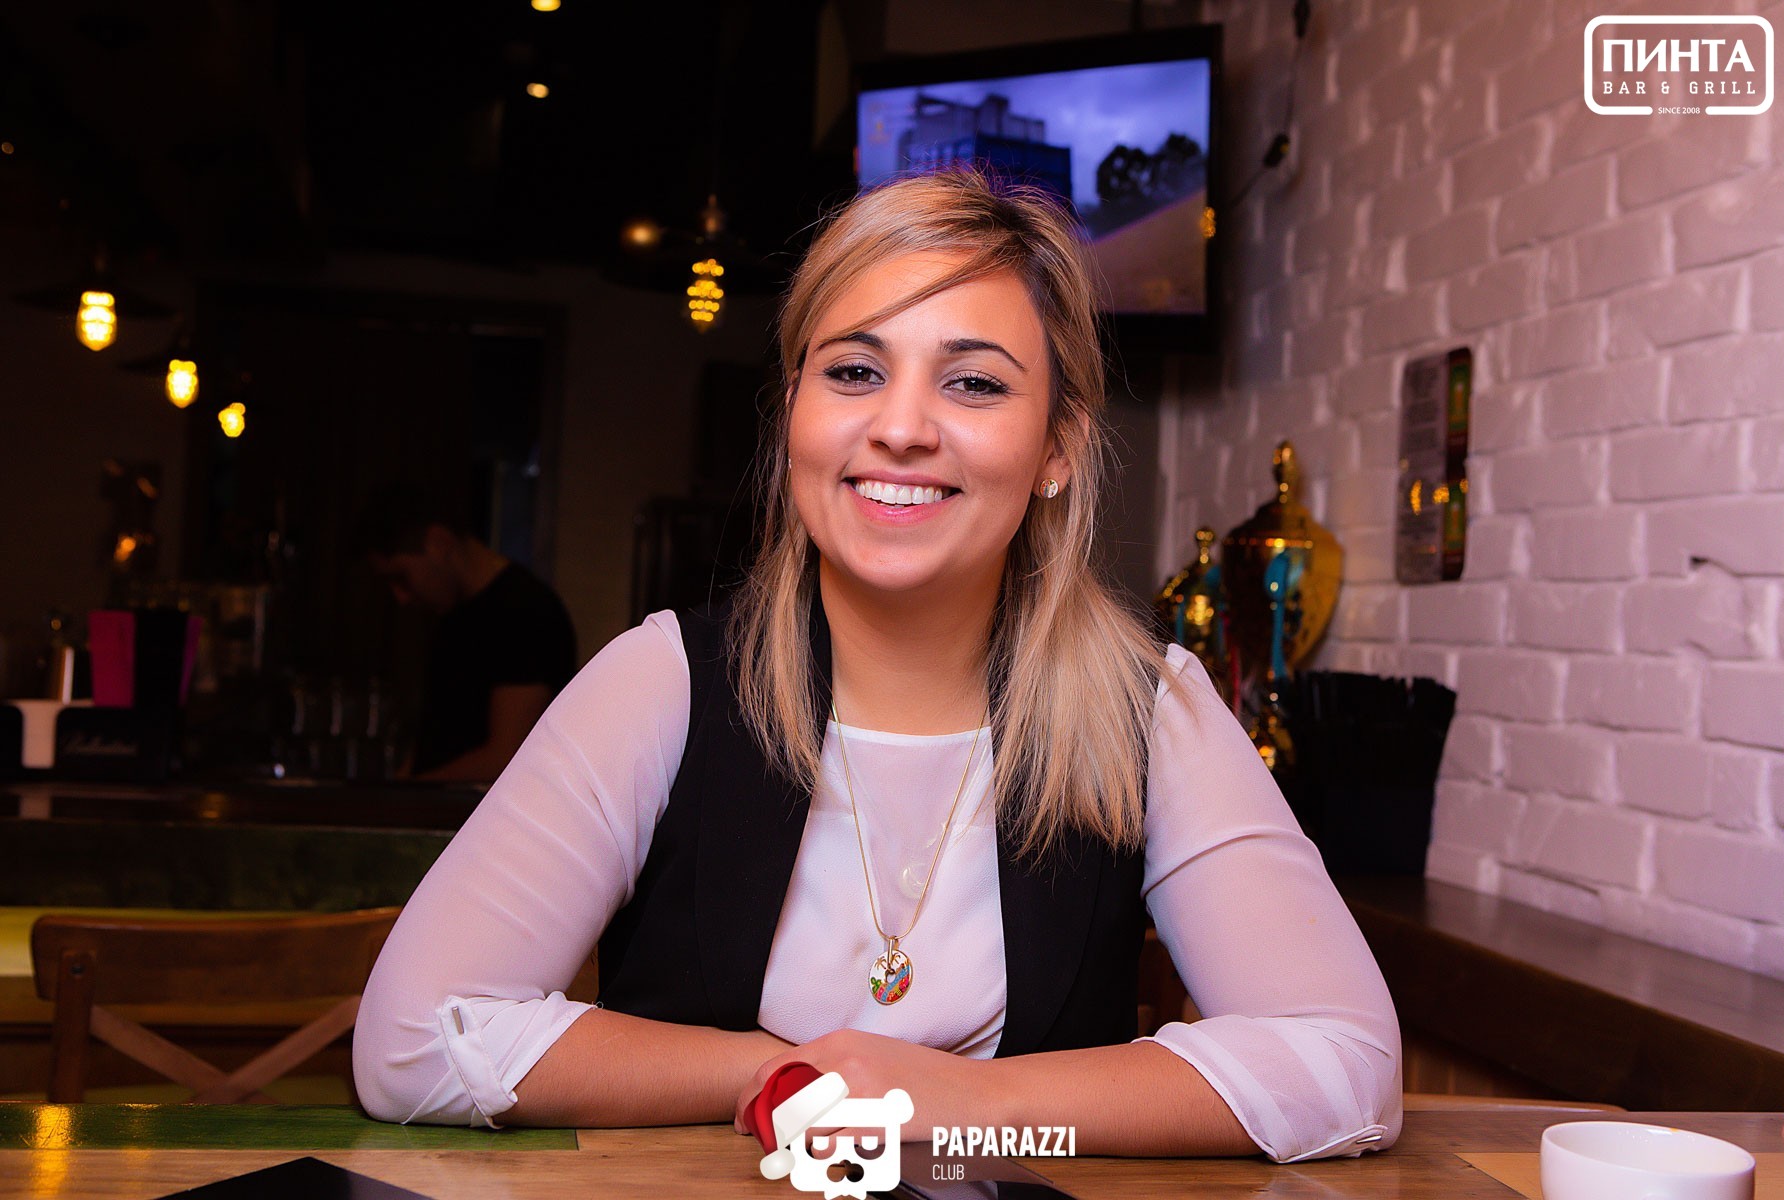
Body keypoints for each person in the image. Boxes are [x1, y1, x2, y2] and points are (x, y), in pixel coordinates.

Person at [352, 169, 1402, 1162]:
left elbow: (1346, 1064)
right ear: (795, 412)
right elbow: (413, 1040)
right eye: (854, 371)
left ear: (1058, 448)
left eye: (974, 383)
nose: (900, 428)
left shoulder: (1149, 711)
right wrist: (777, 1075)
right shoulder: (660, 682)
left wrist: (974, 1102)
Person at [356, 486, 577, 782]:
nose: (401, 597)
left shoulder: (526, 611)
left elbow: (506, 758)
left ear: (439, 542)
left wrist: (412, 790)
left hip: (482, 809)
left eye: (401, 577)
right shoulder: (451, 615)